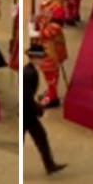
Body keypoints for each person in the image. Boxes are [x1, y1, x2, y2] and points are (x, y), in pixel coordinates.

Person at [23, 43, 67, 175]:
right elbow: (26, 96)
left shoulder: (29, 70)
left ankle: (50, 165)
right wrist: (37, 108)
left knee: (39, 138)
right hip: (27, 113)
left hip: (27, 112)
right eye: (41, 57)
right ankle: (49, 165)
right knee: (40, 138)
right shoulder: (30, 73)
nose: (43, 59)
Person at [30, 0, 67, 108]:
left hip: (52, 43)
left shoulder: (57, 6)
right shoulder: (44, 2)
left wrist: (39, 33)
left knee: (50, 69)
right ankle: (51, 91)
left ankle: (53, 95)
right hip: (42, 42)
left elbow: (55, 27)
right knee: (45, 69)